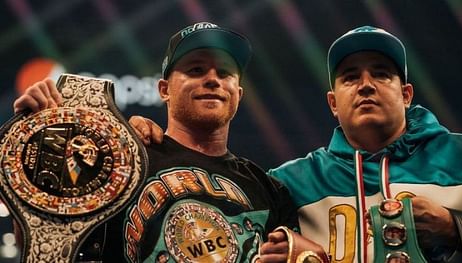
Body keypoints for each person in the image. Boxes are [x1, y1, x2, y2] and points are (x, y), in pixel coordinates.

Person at [131, 25, 462, 262]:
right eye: (351, 77)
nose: (366, 85)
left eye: (382, 74)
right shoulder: (288, 183)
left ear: (406, 94)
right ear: (332, 103)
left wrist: (456, 227)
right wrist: (137, 145)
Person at [11, 22, 326, 263]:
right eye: (196, 69)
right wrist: (40, 146)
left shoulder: (268, 188)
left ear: (238, 94)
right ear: (163, 89)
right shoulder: (124, 161)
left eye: (226, 72)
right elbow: (43, 245)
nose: (213, 79)